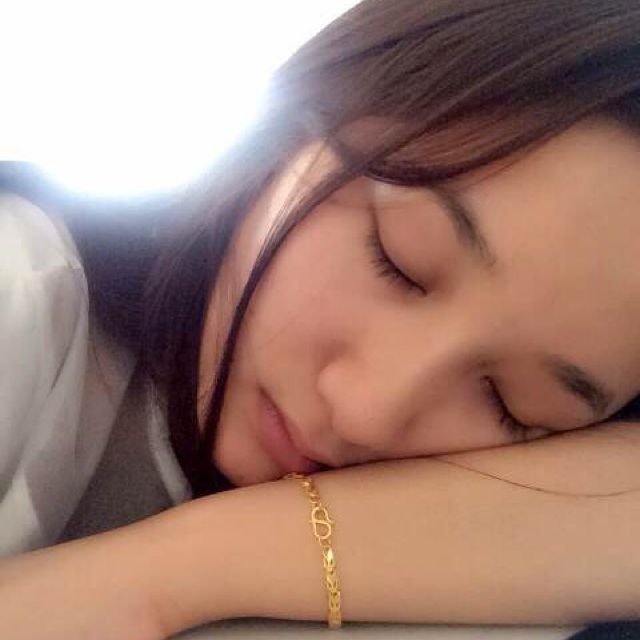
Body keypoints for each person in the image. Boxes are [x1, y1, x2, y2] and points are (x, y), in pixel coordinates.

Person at [0, 0, 639, 638]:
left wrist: (177, 568)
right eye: (397, 261)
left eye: (515, 405)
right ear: (302, 118)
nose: (365, 413)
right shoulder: (25, 287)